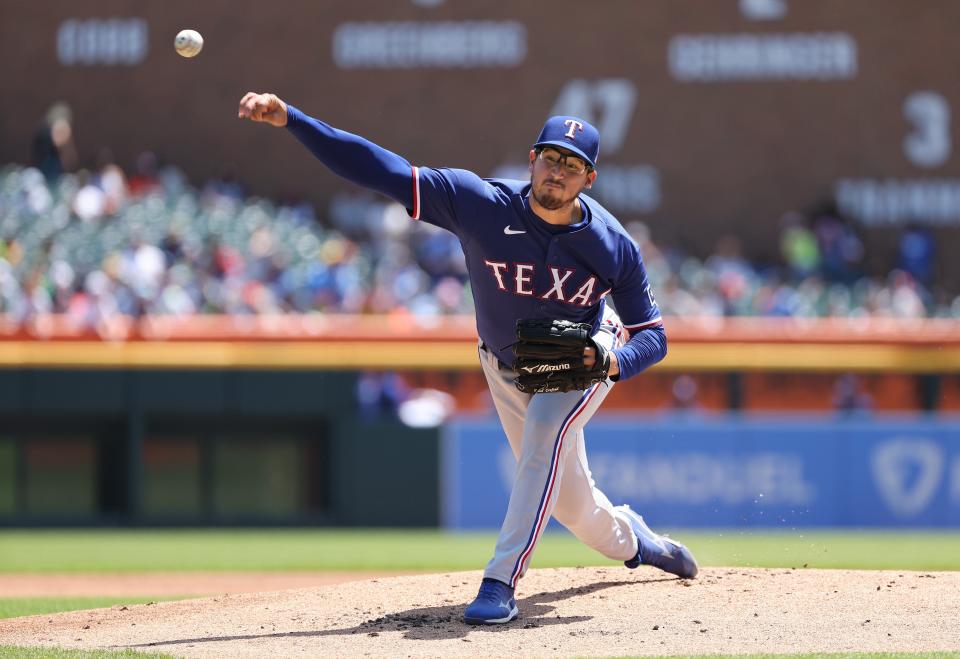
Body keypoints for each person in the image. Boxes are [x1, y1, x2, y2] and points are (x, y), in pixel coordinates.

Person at [238, 92, 699, 625]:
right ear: (532, 159)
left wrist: (609, 363)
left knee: (545, 433)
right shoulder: (477, 202)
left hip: (583, 359)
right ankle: (638, 542)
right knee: (573, 507)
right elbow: (377, 168)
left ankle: (500, 581)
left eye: (573, 165)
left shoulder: (611, 243)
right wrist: (292, 120)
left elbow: (653, 336)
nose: (559, 172)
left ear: (589, 179)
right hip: (502, 364)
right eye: (551, 158)